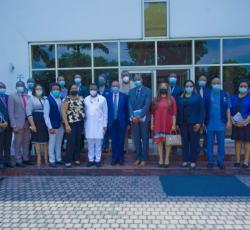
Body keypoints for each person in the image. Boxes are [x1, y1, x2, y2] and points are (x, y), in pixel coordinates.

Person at [204, 77, 231, 169]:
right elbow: (204, 109)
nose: (216, 85)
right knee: (209, 143)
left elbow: (228, 108)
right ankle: (210, 161)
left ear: (220, 84)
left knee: (221, 143)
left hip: (221, 123)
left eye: (218, 83)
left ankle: (220, 161)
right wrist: (203, 122)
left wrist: (229, 121)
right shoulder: (207, 94)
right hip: (210, 123)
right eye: (214, 83)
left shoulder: (225, 94)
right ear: (211, 84)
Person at [176, 80, 203, 169]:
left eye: (190, 86)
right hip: (183, 123)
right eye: (187, 86)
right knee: (185, 142)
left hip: (194, 124)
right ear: (184, 87)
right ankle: (185, 160)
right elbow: (177, 112)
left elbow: (202, 111)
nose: (189, 88)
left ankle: (193, 160)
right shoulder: (180, 98)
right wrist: (176, 123)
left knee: (194, 142)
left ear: (193, 87)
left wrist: (199, 123)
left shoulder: (198, 97)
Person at [151, 82, 177, 167]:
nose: (163, 87)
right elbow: (152, 113)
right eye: (161, 86)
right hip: (158, 124)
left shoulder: (171, 99)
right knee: (159, 142)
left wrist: (174, 125)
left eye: (165, 86)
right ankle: (160, 159)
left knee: (167, 142)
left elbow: (174, 113)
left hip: (168, 123)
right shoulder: (155, 99)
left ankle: (167, 159)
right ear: (159, 88)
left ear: (167, 88)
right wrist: (151, 124)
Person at [129, 74, 152, 167]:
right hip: (134, 119)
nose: (137, 81)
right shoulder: (131, 91)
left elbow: (147, 105)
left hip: (144, 119)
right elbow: (129, 104)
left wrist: (139, 116)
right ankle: (138, 157)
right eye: (135, 79)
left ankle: (144, 158)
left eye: (138, 79)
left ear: (142, 80)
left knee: (145, 139)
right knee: (136, 139)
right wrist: (132, 116)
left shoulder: (148, 90)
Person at [84, 83, 108, 168]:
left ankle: (98, 160)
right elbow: (84, 113)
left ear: (97, 89)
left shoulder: (102, 99)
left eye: (94, 88)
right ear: (89, 89)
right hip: (89, 125)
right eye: (91, 88)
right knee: (90, 144)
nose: (92, 90)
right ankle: (91, 160)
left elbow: (105, 113)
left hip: (99, 125)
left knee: (98, 144)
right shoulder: (86, 99)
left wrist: (105, 125)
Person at [8, 81, 31, 167]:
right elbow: (11, 112)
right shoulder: (12, 97)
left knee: (26, 142)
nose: (20, 87)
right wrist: (13, 125)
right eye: (18, 85)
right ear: (16, 87)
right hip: (18, 124)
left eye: (22, 85)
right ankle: (18, 160)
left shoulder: (27, 97)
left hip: (27, 123)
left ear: (24, 86)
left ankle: (25, 159)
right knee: (17, 142)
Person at [62, 84, 85, 168]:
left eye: (75, 88)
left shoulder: (81, 98)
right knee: (70, 142)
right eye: (72, 88)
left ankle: (76, 158)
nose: (74, 89)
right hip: (71, 124)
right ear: (69, 89)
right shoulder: (66, 99)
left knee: (78, 141)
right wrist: (67, 125)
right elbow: (63, 112)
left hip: (80, 123)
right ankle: (68, 160)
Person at [106, 80, 129, 165]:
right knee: (114, 140)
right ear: (111, 87)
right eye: (113, 85)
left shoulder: (125, 96)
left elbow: (127, 111)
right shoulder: (107, 97)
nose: (115, 87)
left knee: (121, 141)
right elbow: (106, 111)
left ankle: (120, 158)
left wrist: (128, 123)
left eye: (116, 85)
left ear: (119, 87)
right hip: (112, 122)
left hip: (121, 122)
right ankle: (114, 158)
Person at [26, 84, 49, 166]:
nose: (39, 90)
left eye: (40, 88)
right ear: (34, 90)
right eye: (37, 89)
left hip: (45, 121)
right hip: (36, 121)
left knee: (46, 140)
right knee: (37, 141)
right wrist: (32, 125)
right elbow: (28, 113)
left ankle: (46, 158)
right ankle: (39, 158)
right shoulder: (31, 99)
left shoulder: (46, 98)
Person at [44, 83, 64, 168]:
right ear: (51, 90)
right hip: (52, 126)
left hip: (60, 125)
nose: (56, 90)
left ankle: (58, 158)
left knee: (59, 143)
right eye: (54, 89)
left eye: (57, 89)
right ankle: (52, 160)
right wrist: (50, 127)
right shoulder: (48, 100)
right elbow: (46, 115)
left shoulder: (60, 99)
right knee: (52, 143)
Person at [231, 80, 250, 168]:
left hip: (247, 123)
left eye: (245, 86)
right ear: (238, 87)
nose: (243, 87)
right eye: (241, 85)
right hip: (236, 122)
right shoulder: (233, 97)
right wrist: (233, 120)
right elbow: (230, 110)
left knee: (247, 142)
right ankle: (237, 161)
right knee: (237, 141)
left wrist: (245, 121)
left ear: (248, 88)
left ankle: (246, 161)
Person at [120, 71, 134, 154]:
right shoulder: (119, 85)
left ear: (129, 76)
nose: (125, 76)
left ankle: (135, 147)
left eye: (127, 75)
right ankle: (125, 148)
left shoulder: (133, 84)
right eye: (124, 75)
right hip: (124, 111)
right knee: (124, 130)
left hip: (132, 110)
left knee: (134, 131)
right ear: (121, 77)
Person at [0, 82, 12, 169]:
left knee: (8, 144)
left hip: (9, 125)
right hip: (1, 125)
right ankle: (1, 162)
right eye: (0, 87)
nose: (2, 89)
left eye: (3, 87)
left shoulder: (8, 97)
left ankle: (7, 161)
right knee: (0, 145)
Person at [97, 73, 110, 153]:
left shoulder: (109, 90)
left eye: (102, 79)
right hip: (97, 115)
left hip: (106, 114)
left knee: (106, 131)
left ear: (105, 81)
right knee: (98, 131)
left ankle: (105, 146)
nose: (100, 81)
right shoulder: (95, 90)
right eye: (99, 79)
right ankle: (99, 146)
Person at [196, 75, 209, 155]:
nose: (202, 81)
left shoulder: (209, 91)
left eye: (204, 80)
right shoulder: (194, 90)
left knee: (206, 134)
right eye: (200, 80)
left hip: (207, 116)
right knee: (196, 133)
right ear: (198, 81)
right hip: (196, 116)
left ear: (206, 82)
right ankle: (197, 148)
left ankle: (205, 148)